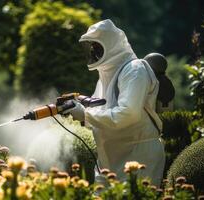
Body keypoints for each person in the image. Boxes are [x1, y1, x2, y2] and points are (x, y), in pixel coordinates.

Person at [66, 19, 165, 186]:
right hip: (108, 158)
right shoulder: (104, 76)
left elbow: (128, 114)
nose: (93, 53)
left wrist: (85, 114)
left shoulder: (135, 70)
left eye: (97, 48)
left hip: (138, 156)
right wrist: (80, 113)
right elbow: (101, 118)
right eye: (91, 48)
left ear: (110, 45)